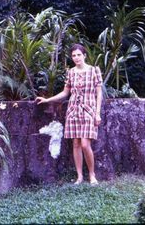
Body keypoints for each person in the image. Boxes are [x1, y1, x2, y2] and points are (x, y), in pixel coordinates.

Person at [35, 43, 102, 185]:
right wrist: (48, 100)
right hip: (73, 110)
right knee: (76, 143)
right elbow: (65, 93)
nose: (76, 58)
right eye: (73, 55)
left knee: (85, 144)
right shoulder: (71, 72)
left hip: (89, 110)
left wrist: (97, 113)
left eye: (79, 55)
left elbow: (99, 93)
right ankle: (79, 176)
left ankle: (92, 174)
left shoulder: (94, 70)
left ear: (84, 55)